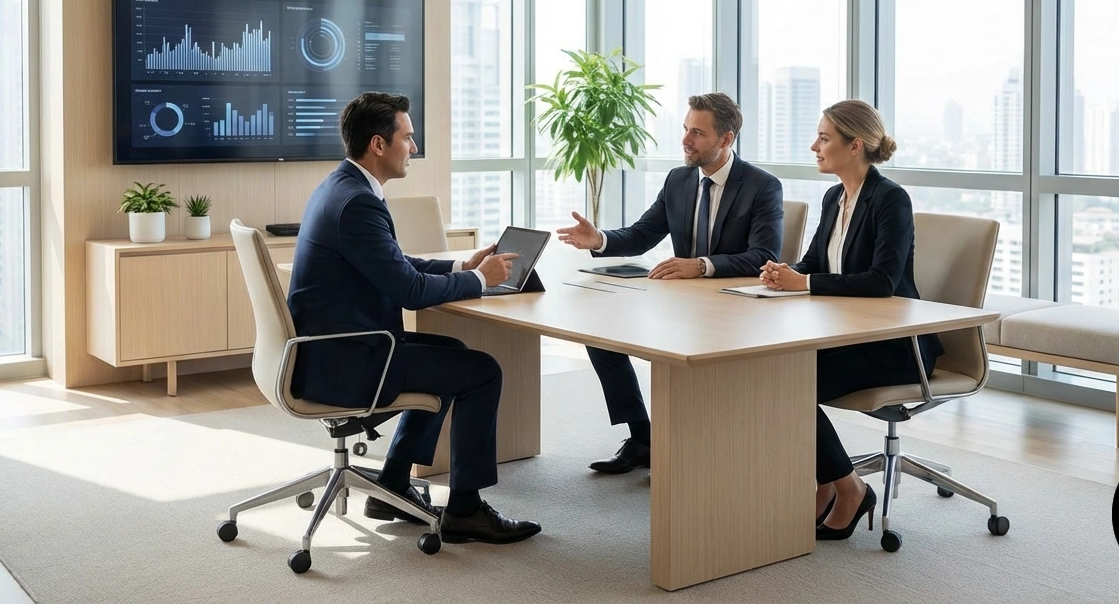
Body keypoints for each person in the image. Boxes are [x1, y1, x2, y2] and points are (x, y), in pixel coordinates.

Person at [287, 91, 541, 544]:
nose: (414, 147)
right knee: (481, 372)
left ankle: (392, 485)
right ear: (378, 144)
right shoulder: (357, 203)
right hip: (346, 361)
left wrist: (462, 266)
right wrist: (480, 280)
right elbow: (409, 291)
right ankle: (465, 510)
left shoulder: (342, 187)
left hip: (332, 350)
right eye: (407, 137)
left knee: (453, 354)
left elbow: (395, 265)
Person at [557, 92, 784, 474]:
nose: (685, 140)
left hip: (735, 309)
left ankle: (695, 454)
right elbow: (643, 234)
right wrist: (599, 240)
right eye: (685, 129)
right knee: (600, 334)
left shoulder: (762, 186)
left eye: (697, 133)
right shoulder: (679, 180)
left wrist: (702, 265)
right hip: (683, 303)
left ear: (726, 139)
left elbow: (764, 255)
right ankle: (643, 437)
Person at [758, 99, 942, 541]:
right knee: (769, 372)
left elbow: (882, 281)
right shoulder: (834, 197)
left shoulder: (890, 199)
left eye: (824, 138)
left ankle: (850, 489)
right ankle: (829, 484)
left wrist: (804, 283)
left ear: (855, 145)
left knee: (789, 383)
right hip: (846, 335)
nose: (814, 147)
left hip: (895, 346)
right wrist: (783, 274)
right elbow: (814, 263)